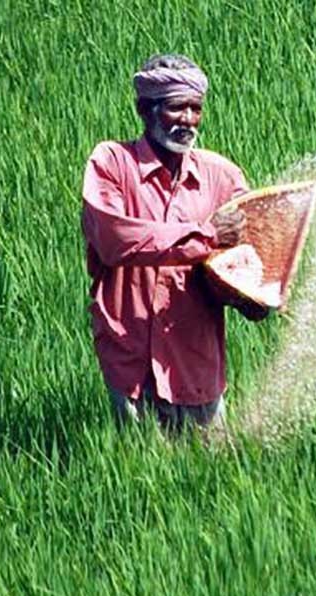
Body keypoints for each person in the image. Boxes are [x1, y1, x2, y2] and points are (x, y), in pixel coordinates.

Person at [81, 53, 260, 434]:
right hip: (133, 363)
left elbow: (249, 254)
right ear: (145, 109)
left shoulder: (222, 176)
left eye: (196, 108)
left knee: (211, 482)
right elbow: (116, 240)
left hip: (197, 364)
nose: (189, 120)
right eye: (177, 107)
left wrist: (255, 295)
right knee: (142, 481)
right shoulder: (112, 164)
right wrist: (206, 234)